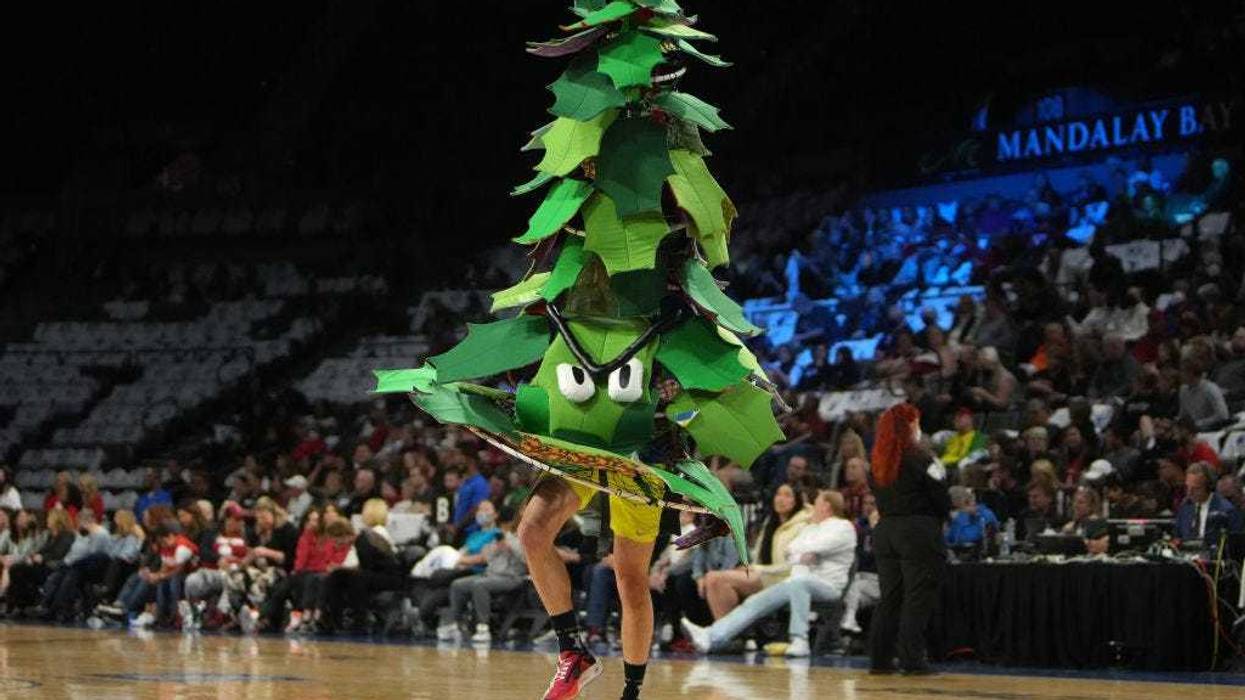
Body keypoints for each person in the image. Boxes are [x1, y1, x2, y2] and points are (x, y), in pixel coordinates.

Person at [681, 490, 856, 658]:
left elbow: (818, 547)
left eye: (816, 503)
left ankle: (799, 640)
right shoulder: (811, 529)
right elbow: (792, 550)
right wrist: (804, 553)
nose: (812, 507)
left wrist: (808, 551)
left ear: (826, 506)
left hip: (828, 586)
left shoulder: (843, 526)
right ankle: (711, 636)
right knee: (754, 601)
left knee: (800, 581)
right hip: (797, 582)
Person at [868, 403, 950, 676]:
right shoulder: (923, 459)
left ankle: (880, 659)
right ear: (909, 426)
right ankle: (912, 660)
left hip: (886, 531)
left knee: (890, 597)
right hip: (918, 531)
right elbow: (942, 499)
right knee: (917, 597)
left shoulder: (877, 464)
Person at [701, 484, 811, 620]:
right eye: (778, 494)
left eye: (787, 495)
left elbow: (790, 566)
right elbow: (756, 556)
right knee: (716, 582)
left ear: (797, 501)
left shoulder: (803, 526)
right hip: (764, 575)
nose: (780, 499)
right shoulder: (771, 522)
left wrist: (756, 569)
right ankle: (732, 634)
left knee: (714, 578)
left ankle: (723, 633)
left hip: (783, 578)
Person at [443, 505, 527, 643]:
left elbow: (525, 559)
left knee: (480, 585)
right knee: (458, 585)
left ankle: (483, 627)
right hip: (491, 574)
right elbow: (486, 557)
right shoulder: (498, 536)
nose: (504, 528)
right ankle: (455, 623)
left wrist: (510, 545)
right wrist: (495, 546)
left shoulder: (522, 537)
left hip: (512, 577)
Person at [1176, 462, 1242, 541]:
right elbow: (1177, 538)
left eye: (1196, 489)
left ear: (1209, 487)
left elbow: (1234, 546)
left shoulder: (1226, 511)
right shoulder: (1185, 508)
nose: (1189, 493)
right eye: (1187, 487)